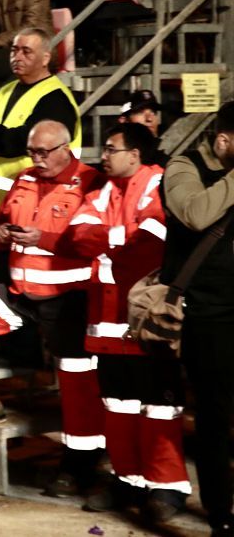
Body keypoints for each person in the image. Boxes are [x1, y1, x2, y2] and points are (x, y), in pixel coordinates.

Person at [0, 120, 107, 497]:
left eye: (43, 152)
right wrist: (0, 233)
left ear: (66, 148)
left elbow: (92, 240)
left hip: (69, 297)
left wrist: (45, 239)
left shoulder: (92, 182)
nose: (36, 159)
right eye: (32, 152)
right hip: (21, 292)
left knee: (77, 383)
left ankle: (80, 466)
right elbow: (2, 221)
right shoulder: (23, 178)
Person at [59, 123, 189, 524]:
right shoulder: (101, 191)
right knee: (118, 405)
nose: (105, 155)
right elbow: (78, 236)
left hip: (145, 319)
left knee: (160, 407)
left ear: (135, 154)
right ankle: (127, 479)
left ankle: (166, 487)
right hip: (106, 322)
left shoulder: (160, 186)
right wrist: (118, 239)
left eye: (112, 149)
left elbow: (150, 245)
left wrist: (106, 244)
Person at [163, 102, 234, 535]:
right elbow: (194, 213)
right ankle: (221, 514)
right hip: (209, 311)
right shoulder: (182, 167)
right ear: (224, 139)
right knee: (214, 415)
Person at [0, 27, 80, 215]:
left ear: (45, 59)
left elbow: (29, 141)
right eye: (14, 50)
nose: (17, 57)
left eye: (26, 51)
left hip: (35, 205)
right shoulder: (5, 90)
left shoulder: (56, 98)